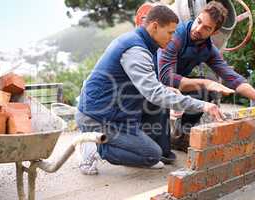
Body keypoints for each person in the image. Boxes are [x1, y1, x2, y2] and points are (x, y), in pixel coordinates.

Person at [76, 5, 226, 175]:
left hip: (116, 115)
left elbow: (148, 84)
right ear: (155, 27)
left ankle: (113, 142)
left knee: (153, 155)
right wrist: (203, 105)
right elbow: (154, 94)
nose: (172, 38)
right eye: (170, 32)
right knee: (151, 155)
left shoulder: (144, 44)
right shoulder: (136, 50)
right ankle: (93, 145)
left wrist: (166, 88)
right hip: (97, 117)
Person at [156, 1, 255, 150]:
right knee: (159, 150)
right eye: (198, 21)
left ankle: (180, 136)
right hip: (150, 85)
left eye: (206, 28)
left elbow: (232, 78)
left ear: (214, 32)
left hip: (174, 88)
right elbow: (166, 78)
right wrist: (206, 82)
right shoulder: (176, 36)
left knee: (206, 92)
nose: (198, 29)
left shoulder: (208, 49)